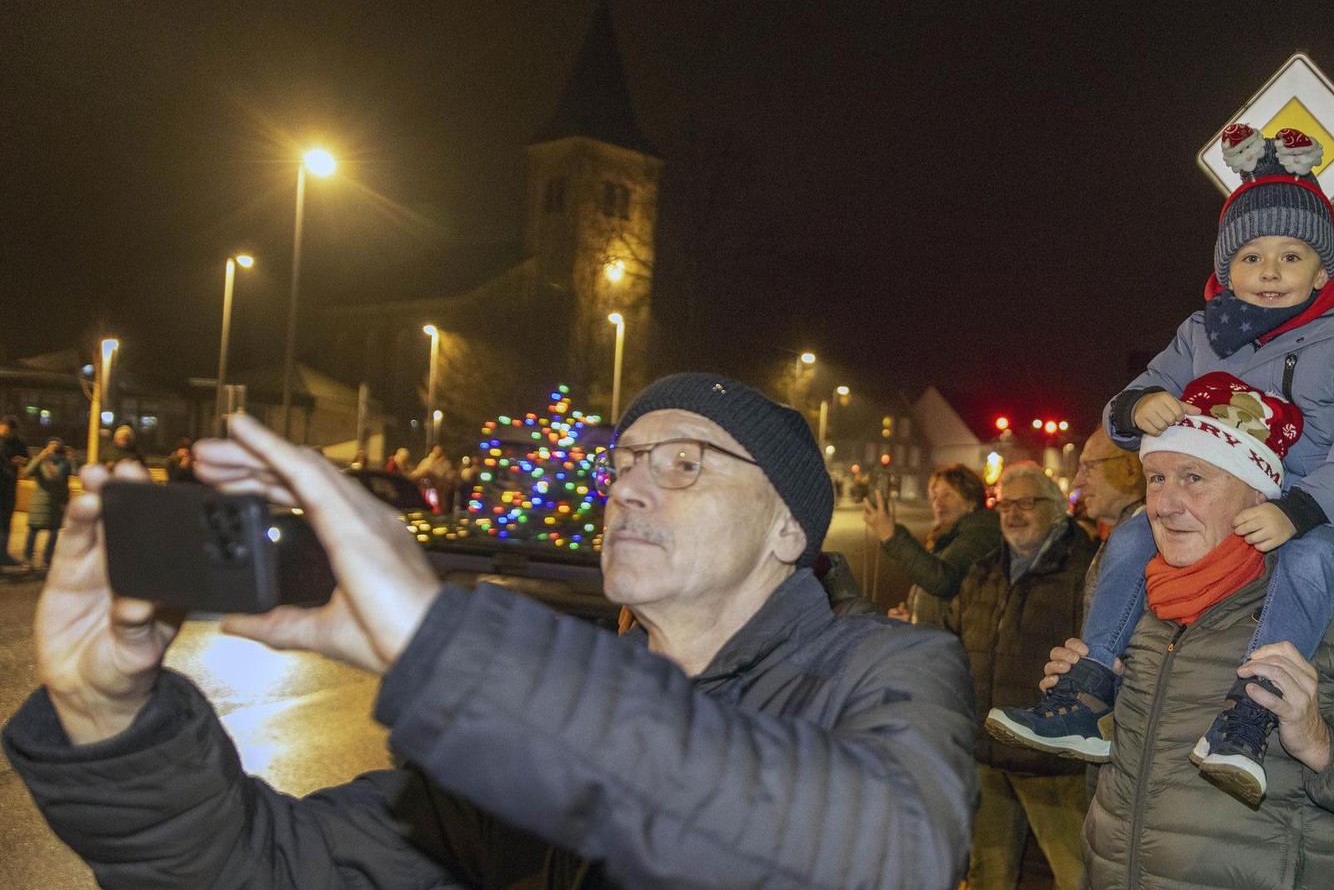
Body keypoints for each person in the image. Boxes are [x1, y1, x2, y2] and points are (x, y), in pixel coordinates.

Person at [3, 373, 979, 890]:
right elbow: (267, 869)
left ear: (788, 530)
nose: (629, 487)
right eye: (623, 461)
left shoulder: (889, 668)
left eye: (684, 463)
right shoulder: (535, 734)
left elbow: (890, 855)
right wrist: (112, 718)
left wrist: (447, 642)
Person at [988, 124, 1334, 803]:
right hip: (1222, 495)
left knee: (1312, 559)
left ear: (1323, 271)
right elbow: (1123, 407)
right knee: (1132, 535)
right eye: (1250, 256)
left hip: (1326, 501)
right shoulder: (1201, 334)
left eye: (1291, 255)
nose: (1269, 271)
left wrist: (1302, 510)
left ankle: (1252, 715)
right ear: (1225, 270)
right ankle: (1089, 690)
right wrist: (1141, 407)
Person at [1029, 375, 1334, 888]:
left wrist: (1322, 743)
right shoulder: (1130, 595)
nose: (1164, 504)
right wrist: (1102, 705)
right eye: (1156, 477)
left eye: (1194, 477)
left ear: (1259, 493)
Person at [949, 462, 1095, 890]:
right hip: (987, 750)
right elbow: (956, 641)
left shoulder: (1084, 570)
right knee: (986, 874)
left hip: (1049, 756)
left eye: (1026, 503)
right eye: (1005, 505)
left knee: (1076, 875)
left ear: (1057, 507)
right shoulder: (983, 569)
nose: (1013, 513)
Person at [865, 463, 1001, 626]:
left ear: (971, 499)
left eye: (947, 495)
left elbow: (943, 581)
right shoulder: (949, 536)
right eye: (934, 496)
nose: (938, 502)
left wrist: (892, 536)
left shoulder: (981, 532)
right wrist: (911, 613)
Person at [22, 437, 74, 569]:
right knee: (34, 531)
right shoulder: (40, 461)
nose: (53, 447)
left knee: (53, 532)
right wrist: (40, 458)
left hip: (56, 502)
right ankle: (28, 559)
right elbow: (27, 472)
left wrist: (66, 501)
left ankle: (47, 559)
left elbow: (62, 480)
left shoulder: (64, 463)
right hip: (39, 502)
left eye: (56, 444)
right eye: (51, 444)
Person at [0, 414, 28, 566]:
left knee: (5, 522)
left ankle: (3, 554)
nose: (4, 432)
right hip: (6, 481)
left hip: (9, 487)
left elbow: (27, 460)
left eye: (7, 430)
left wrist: (23, 461)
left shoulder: (19, 443)